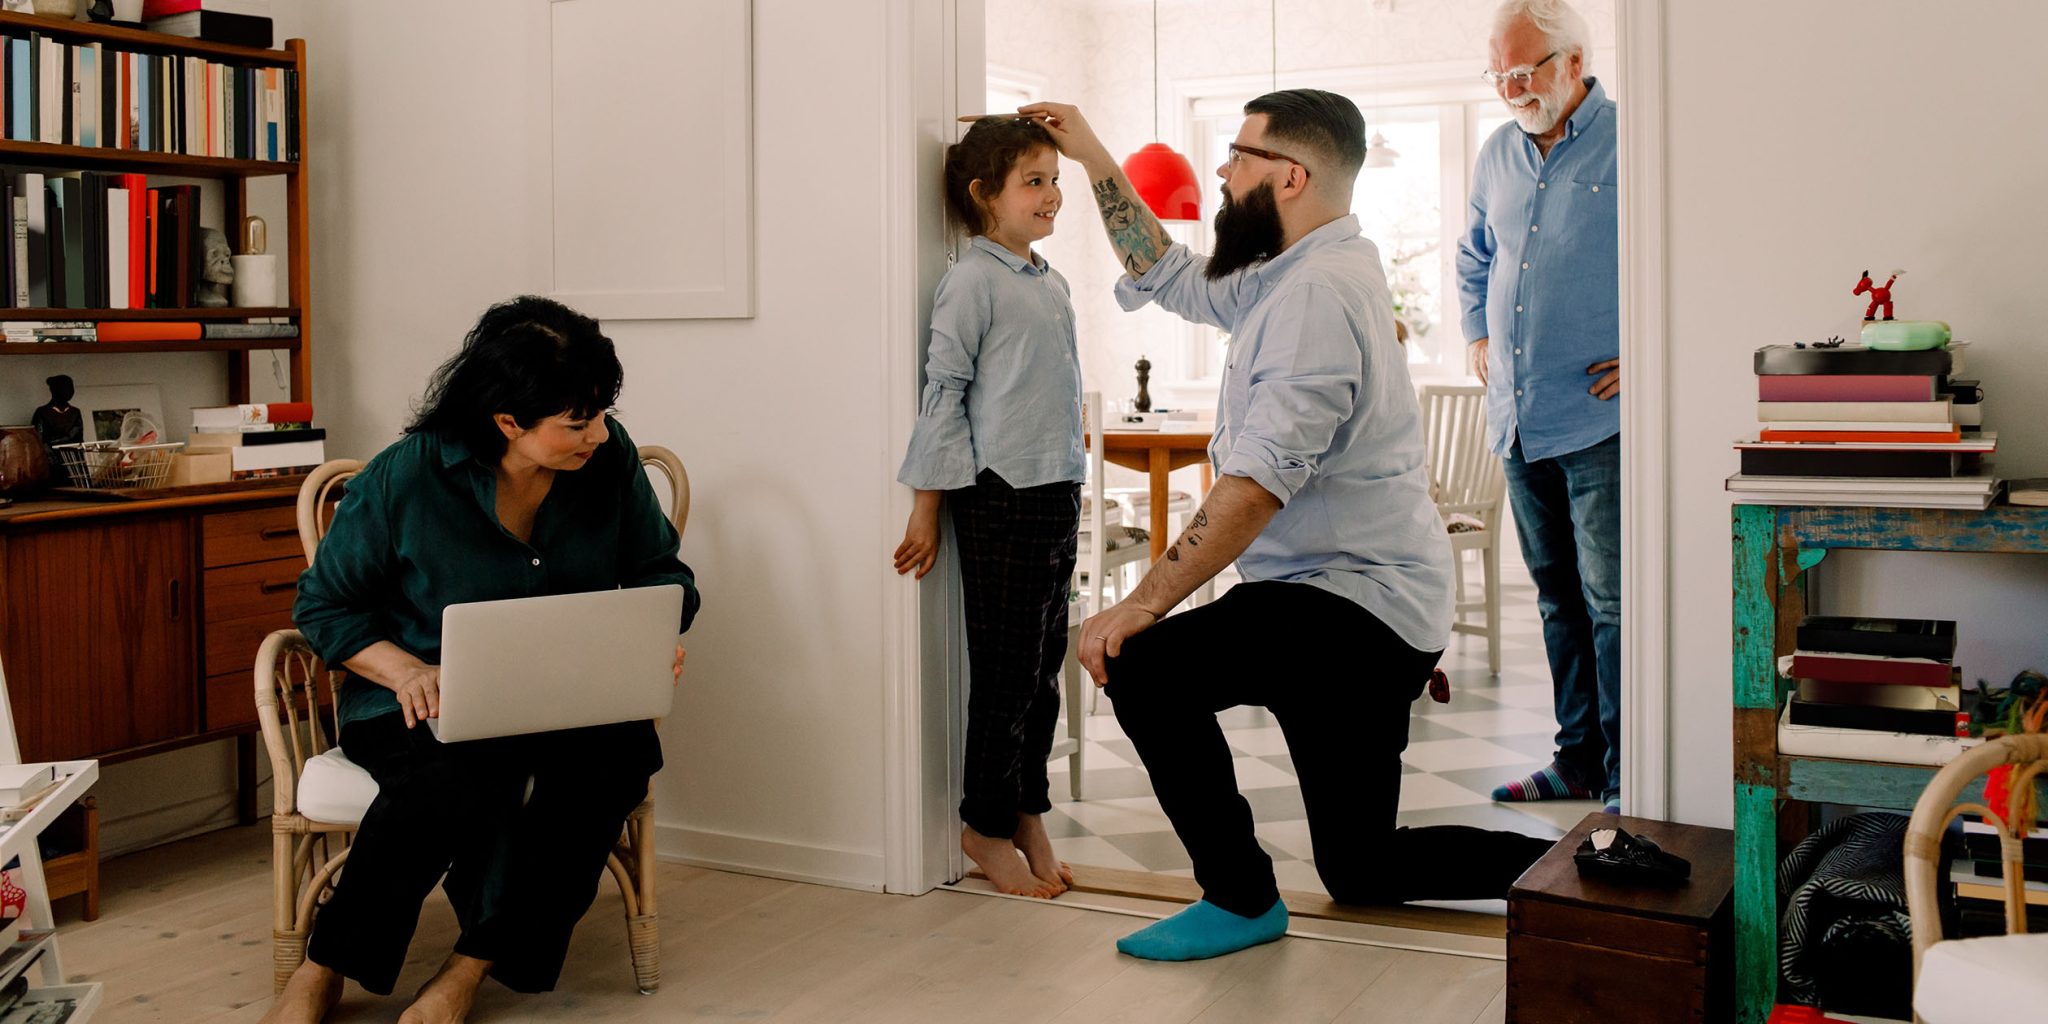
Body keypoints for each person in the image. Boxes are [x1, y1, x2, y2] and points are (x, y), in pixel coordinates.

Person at [1015, 91, 1554, 962]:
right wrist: (1089, 154)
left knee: (1143, 666)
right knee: (1362, 866)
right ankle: (1579, 866)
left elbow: (1254, 487)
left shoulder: (1316, 296)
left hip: (1352, 605)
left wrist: (1141, 603)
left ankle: (1239, 898)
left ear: (1291, 176)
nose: (1222, 171)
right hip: (1364, 603)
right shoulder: (1294, 270)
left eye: (1239, 156)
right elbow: (1166, 270)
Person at [263, 296, 699, 1024]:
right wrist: (404, 670)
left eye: (603, 413)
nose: (599, 434)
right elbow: (325, 607)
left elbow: (662, 573)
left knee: (616, 762)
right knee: (452, 778)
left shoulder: (608, 459)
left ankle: (468, 969)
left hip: (569, 700)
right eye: (577, 423)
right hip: (411, 701)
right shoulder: (405, 477)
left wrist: (650, 637)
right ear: (508, 421)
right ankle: (324, 966)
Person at [892, 116, 1084, 900]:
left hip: (1058, 488)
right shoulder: (972, 281)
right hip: (1001, 496)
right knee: (1005, 677)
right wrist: (926, 506)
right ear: (984, 195)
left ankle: (1028, 812)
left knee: (1043, 674)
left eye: (1054, 179)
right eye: (1033, 181)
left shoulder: (1049, 280)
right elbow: (944, 394)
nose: (1051, 194)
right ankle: (984, 827)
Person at [1456, 0, 1623, 816]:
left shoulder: (1635, 141)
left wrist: (1655, 354)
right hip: (1517, 420)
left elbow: (1688, 254)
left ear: (1574, 62)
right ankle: (1576, 761)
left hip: (1600, 423)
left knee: (1612, 604)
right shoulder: (1497, 153)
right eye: (1498, 75)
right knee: (1556, 597)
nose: (1510, 90)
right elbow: (1473, 259)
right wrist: (1475, 336)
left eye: (1522, 72)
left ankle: (1630, 775)